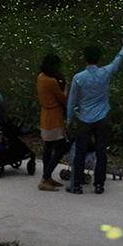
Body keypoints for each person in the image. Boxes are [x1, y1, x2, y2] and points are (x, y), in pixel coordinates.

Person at [65, 35, 123, 194]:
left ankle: (76, 185)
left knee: (80, 152)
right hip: (102, 117)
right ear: (99, 58)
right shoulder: (105, 72)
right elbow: (117, 61)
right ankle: (99, 184)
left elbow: (72, 101)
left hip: (84, 118)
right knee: (101, 151)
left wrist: (68, 119)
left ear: (85, 58)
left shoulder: (78, 78)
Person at [36, 53, 70, 191]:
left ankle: (47, 177)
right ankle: (45, 177)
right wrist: (66, 86)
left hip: (45, 115)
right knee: (61, 147)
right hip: (54, 116)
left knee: (48, 146)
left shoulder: (40, 77)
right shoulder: (52, 81)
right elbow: (63, 98)